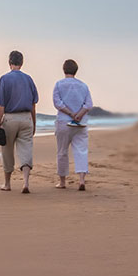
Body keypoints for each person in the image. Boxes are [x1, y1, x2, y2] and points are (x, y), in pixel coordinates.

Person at [0, 50, 39, 194]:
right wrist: (34, 122)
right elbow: (33, 104)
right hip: (26, 118)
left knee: (7, 151)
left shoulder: (4, 79)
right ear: (22, 63)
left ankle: (7, 183)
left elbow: (0, 105)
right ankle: (25, 182)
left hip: (10, 118)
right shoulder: (29, 79)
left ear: (9, 62)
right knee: (26, 150)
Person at [52, 59, 93, 191]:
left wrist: (70, 113)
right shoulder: (83, 86)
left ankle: (62, 181)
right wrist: (79, 114)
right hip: (81, 122)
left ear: (64, 70)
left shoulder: (59, 84)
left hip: (64, 121)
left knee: (62, 151)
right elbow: (89, 104)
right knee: (81, 150)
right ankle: (81, 180)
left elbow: (58, 103)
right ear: (76, 70)